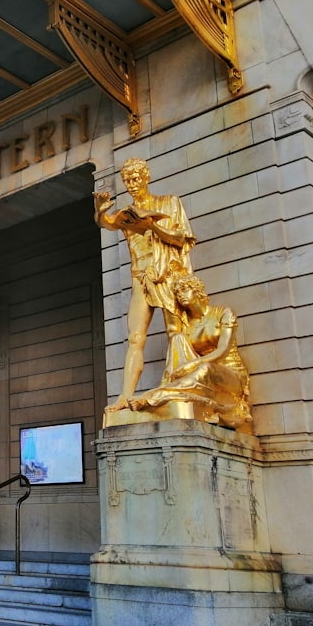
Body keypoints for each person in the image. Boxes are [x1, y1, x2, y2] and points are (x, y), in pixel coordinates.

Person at [94, 158, 196, 411]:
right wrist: (99, 210)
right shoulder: (126, 214)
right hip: (139, 278)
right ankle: (124, 396)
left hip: (165, 274)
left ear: (146, 177)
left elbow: (183, 238)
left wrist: (152, 226)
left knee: (176, 332)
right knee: (135, 338)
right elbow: (106, 223)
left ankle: (181, 385)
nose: (131, 184)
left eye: (136, 178)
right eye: (127, 180)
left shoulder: (168, 203)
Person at [130, 274, 251, 431]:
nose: (180, 295)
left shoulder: (224, 313)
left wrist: (192, 364)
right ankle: (167, 389)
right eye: (178, 293)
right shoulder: (187, 326)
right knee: (177, 338)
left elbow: (223, 350)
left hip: (231, 376)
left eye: (185, 290)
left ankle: (154, 397)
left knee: (205, 368)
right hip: (202, 372)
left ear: (197, 291)